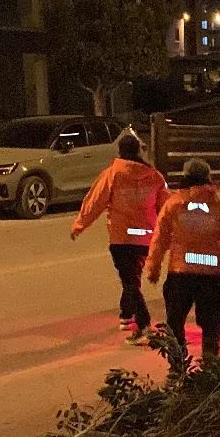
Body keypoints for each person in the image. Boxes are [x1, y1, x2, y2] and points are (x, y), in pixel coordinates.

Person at [71, 133, 170, 346]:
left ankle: (143, 322)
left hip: (122, 237)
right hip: (145, 237)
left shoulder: (113, 174)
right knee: (132, 276)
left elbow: (95, 201)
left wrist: (79, 225)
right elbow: (166, 206)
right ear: (137, 151)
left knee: (129, 280)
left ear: (120, 152)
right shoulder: (154, 176)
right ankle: (126, 315)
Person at [146, 159, 220, 359]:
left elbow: (159, 239)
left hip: (180, 274)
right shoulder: (219, 204)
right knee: (211, 322)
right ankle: (210, 362)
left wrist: (153, 269)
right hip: (210, 277)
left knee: (175, 323)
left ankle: (178, 365)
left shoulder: (173, 203)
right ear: (208, 176)